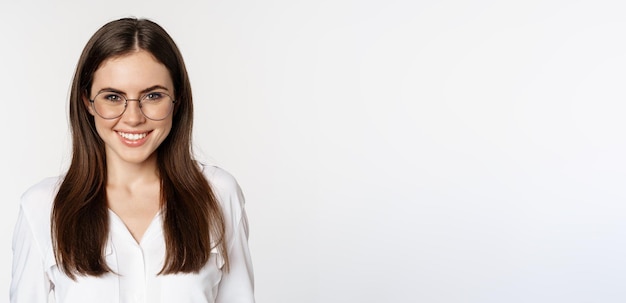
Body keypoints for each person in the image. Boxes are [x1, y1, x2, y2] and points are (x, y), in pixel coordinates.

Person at [10, 17, 255, 303]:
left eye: (153, 95)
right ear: (87, 102)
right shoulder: (42, 207)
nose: (134, 118)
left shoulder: (219, 194)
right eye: (113, 96)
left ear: (177, 100)